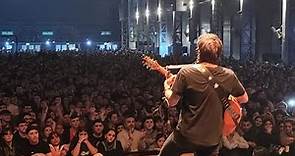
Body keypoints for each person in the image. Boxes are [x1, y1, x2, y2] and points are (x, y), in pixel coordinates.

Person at [159, 33, 248, 156]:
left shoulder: (186, 72)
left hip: (186, 136)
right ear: (219, 54)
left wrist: (166, 87)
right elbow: (244, 98)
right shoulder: (229, 75)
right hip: (212, 140)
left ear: (199, 51)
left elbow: (172, 102)